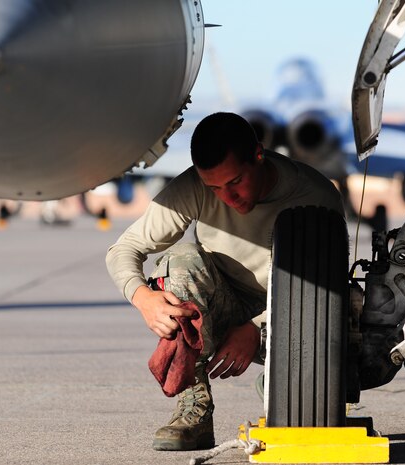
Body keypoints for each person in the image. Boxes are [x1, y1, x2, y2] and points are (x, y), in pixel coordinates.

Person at [105, 112, 344, 451]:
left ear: (259, 156)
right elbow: (123, 249)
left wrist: (258, 328)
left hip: (299, 313)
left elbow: (328, 287)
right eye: (214, 187)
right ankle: (194, 412)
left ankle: (290, 389)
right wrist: (143, 297)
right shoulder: (194, 187)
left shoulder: (314, 196)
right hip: (224, 304)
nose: (227, 198)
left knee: (360, 344)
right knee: (182, 261)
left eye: (235, 182)